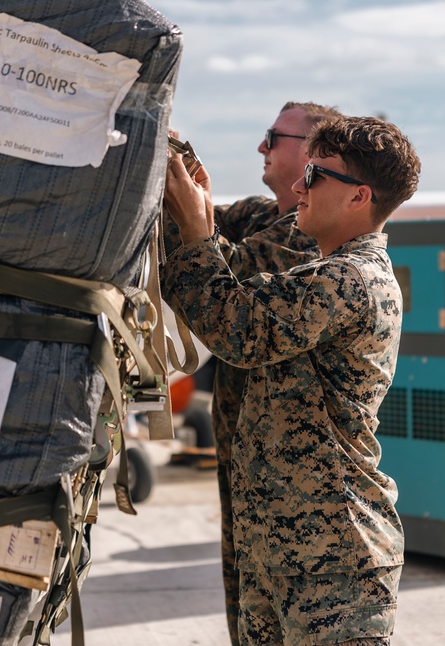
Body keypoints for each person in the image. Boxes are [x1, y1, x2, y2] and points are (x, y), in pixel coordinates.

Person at [161, 115, 421, 645]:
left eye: (316, 176)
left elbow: (235, 327)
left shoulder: (350, 281)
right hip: (283, 551)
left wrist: (195, 231)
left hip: (333, 561)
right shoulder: (324, 272)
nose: (300, 186)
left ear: (359, 197)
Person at [170, 101, 341, 645]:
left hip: (297, 491)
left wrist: (192, 223)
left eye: (274, 137)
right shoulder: (261, 216)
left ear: (314, 154)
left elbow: (223, 284)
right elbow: (195, 223)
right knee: (248, 624)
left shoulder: (310, 238)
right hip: (248, 467)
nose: (261, 148)